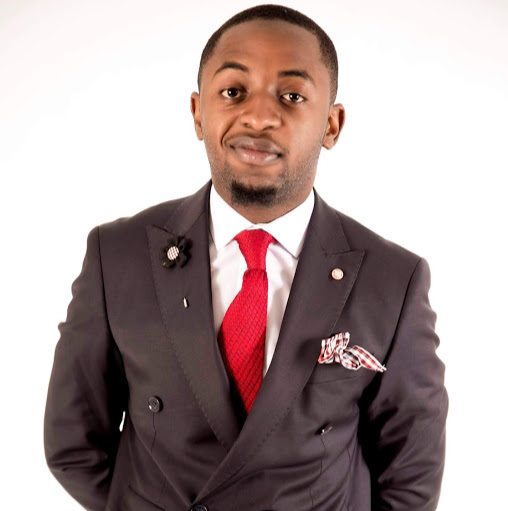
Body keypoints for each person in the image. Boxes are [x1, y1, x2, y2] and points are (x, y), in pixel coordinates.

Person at [44, 4, 448, 511]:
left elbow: (411, 472)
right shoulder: (117, 256)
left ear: (331, 124)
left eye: (292, 95)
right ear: (198, 113)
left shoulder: (392, 280)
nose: (258, 117)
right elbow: (74, 444)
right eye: (233, 91)